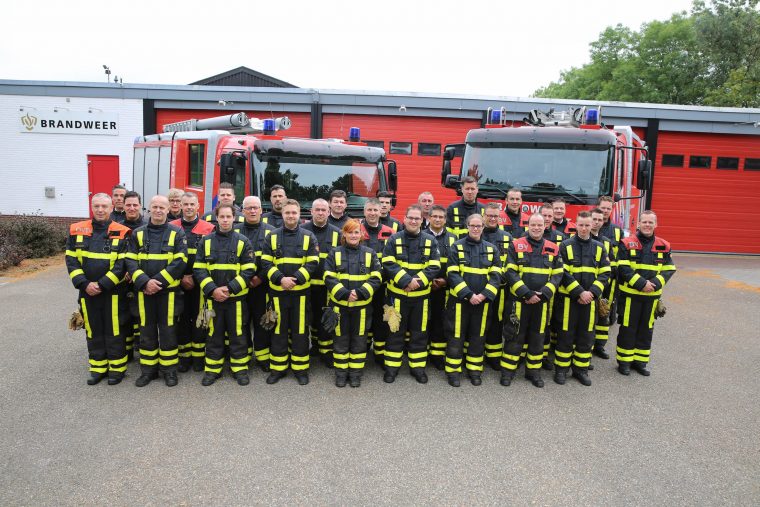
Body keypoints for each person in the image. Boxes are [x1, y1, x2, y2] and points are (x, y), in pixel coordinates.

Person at [66, 193, 131, 385]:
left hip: (112, 292)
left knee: (114, 331)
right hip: (87, 292)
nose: (100, 210)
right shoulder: (77, 230)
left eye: (104, 206)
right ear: (91, 207)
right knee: (93, 330)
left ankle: (117, 370)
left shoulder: (122, 232)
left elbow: (122, 264)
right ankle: (97, 368)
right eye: (97, 206)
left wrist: (102, 284)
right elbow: (71, 260)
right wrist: (85, 284)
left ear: (112, 208)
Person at [125, 195, 188, 387]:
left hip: (168, 293)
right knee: (147, 331)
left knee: (168, 331)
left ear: (169, 209)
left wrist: (156, 282)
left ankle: (169, 371)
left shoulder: (177, 233)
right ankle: (148, 371)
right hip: (144, 292)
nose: (159, 210)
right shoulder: (137, 233)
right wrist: (144, 282)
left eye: (162, 207)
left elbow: (180, 262)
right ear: (149, 209)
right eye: (155, 207)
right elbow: (130, 260)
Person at [193, 204, 256, 386]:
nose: (226, 220)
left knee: (238, 334)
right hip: (213, 299)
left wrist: (229, 289)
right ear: (217, 218)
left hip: (235, 299)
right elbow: (199, 268)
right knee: (214, 334)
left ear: (234, 218)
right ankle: (212, 370)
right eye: (222, 217)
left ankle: (240, 369)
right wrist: (213, 290)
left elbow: (249, 269)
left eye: (229, 217)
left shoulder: (243, 241)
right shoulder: (206, 241)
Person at [260, 199, 319, 385]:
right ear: (282, 214)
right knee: (278, 330)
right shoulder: (272, 236)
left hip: (300, 294)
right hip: (277, 293)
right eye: (287, 213)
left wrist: (295, 279)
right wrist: (280, 279)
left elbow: (313, 262)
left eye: (294, 213)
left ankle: (300, 369)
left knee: (301, 332)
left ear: (299, 214)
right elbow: (265, 262)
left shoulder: (309, 236)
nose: (291, 216)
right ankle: (278, 369)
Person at [381, 205, 441, 384]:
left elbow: (435, 265)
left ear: (422, 220)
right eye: (411, 218)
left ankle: (418, 368)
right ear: (404, 219)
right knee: (393, 333)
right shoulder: (393, 239)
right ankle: (391, 368)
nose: (414, 221)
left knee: (419, 334)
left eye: (417, 218)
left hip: (421, 299)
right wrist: (406, 280)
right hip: (394, 298)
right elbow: (387, 262)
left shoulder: (431, 241)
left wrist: (417, 282)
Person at [502, 213, 563, 388]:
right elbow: (510, 272)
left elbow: (558, 274)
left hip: (542, 303)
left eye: (539, 225)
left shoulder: (553, 247)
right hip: (520, 301)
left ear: (545, 226)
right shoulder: (516, 244)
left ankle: (533, 372)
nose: (536, 228)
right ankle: (508, 372)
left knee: (538, 338)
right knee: (514, 336)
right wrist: (527, 293)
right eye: (533, 224)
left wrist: (544, 294)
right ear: (527, 225)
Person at [615, 210, 676, 376]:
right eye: (645, 222)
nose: (647, 225)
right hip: (630, 297)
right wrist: (641, 284)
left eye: (651, 222)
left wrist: (655, 284)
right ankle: (624, 362)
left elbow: (669, 269)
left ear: (656, 224)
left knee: (646, 330)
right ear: (638, 224)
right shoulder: (626, 243)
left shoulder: (664, 245)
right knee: (628, 329)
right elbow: (623, 267)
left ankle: (640, 362)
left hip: (651, 298)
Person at [444, 213, 502, 387]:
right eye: (473, 226)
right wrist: (469, 295)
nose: (476, 229)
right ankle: (453, 372)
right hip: (460, 302)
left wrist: (483, 295)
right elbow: (452, 274)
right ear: (467, 226)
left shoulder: (492, 249)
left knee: (478, 337)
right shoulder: (456, 247)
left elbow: (497, 275)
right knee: (456, 337)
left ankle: (475, 370)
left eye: (479, 226)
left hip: (483, 303)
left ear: (483, 228)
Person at [323, 219, 383, 387]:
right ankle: (341, 374)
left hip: (362, 307)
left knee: (359, 341)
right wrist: (344, 294)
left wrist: (360, 293)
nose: (353, 235)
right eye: (350, 232)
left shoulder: (370, 253)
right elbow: (328, 276)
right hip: (339, 306)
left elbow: (377, 276)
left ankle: (355, 374)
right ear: (344, 234)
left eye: (356, 232)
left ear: (362, 235)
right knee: (340, 340)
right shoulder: (334, 253)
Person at [554, 211, 611, 386]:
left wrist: (591, 293)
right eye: (581, 225)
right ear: (575, 225)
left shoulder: (600, 247)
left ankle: (581, 370)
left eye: (588, 225)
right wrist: (579, 292)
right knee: (566, 335)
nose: (585, 228)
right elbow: (561, 272)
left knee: (586, 337)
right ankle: (562, 370)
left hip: (590, 302)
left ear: (592, 225)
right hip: (569, 300)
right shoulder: (564, 245)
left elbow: (605, 273)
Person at [170, 192, 215, 372]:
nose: (189, 207)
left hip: (200, 284)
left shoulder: (209, 228)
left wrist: (196, 278)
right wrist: (181, 278)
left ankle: (198, 358)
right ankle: (184, 358)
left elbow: (212, 258)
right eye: (185, 204)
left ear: (198, 207)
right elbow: (169, 259)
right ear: (180, 206)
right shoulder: (171, 226)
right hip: (177, 282)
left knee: (200, 320)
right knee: (181, 321)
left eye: (192, 204)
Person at [234, 196, 275, 371]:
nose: (252, 211)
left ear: (261, 210)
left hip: (262, 286)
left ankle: (263, 357)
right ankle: (244, 356)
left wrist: (260, 277)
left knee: (261, 322)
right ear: (242, 211)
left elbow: (274, 259)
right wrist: (242, 279)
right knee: (241, 322)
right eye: (248, 208)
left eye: (255, 208)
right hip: (239, 286)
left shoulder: (271, 232)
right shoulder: (235, 231)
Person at [302, 198, 342, 366]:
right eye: (317, 209)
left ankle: (326, 352)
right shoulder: (302, 230)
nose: (320, 213)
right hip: (306, 285)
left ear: (328, 212)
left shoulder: (337, 233)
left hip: (327, 287)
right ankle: (314, 347)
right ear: (311, 212)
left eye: (323, 210)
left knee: (326, 319)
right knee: (308, 318)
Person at [359, 198, 395, 363]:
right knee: (362, 318)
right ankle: (362, 350)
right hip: (361, 284)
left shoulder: (390, 232)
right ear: (364, 212)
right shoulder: (356, 229)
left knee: (381, 319)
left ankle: (380, 353)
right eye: (369, 210)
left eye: (375, 210)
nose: (372, 213)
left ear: (381, 212)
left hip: (383, 285)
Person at [481, 203, 513, 370]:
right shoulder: (477, 233)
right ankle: (474, 354)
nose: (492, 218)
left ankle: (493, 357)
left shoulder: (507, 237)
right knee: (477, 322)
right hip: (478, 288)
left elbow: (511, 262)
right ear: (483, 215)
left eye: (495, 216)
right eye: (489, 215)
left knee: (496, 321)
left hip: (500, 288)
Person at [424, 204, 456, 369]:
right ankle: (422, 353)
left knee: (440, 321)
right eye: (434, 216)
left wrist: (446, 280)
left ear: (445, 220)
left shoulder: (453, 238)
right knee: (422, 322)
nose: (437, 219)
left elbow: (457, 264)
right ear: (429, 218)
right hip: (423, 287)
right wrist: (427, 280)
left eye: (441, 217)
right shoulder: (421, 235)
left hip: (444, 287)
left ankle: (437, 356)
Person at [541, 202, 568, 369]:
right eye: (544, 215)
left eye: (549, 216)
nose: (546, 219)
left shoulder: (560, 238)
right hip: (532, 288)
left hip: (553, 287)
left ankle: (543, 355)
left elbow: (562, 265)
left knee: (548, 322)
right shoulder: (527, 234)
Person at [121, 190, 147, 360]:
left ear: (140, 206)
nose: (131, 208)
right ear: (123, 207)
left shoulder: (147, 227)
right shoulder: (116, 227)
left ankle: (141, 347)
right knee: (123, 317)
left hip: (140, 278)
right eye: (128, 205)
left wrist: (135, 273)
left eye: (135, 205)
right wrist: (123, 271)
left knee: (141, 316)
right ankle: (126, 352)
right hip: (120, 278)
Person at [589, 207, 618, 360]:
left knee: (602, 317)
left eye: (600, 220)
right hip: (586, 287)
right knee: (588, 320)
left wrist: (603, 283)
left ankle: (599, 346)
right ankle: (588, 346)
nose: (597, 222)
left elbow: (612, 265)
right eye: (594, 219)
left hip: (603, 286)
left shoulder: (607, 243)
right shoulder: (582, 238)